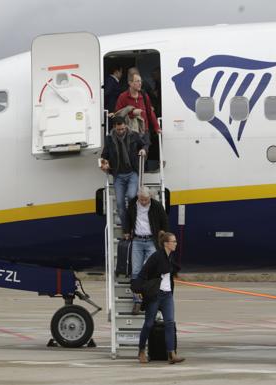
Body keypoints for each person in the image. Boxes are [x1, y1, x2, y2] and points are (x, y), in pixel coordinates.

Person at [136, 231, 184, 364]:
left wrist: (174, 273)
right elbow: (143, 273)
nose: (175, 243)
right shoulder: (156, 257)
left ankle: (171, 354)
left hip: (167, 295)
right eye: (173, 241)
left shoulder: (169, 257)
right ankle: (141, 351)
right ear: (166, 244)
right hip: (156, 295)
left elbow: (170, 270)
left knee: (169, 323)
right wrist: (138, 289)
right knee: (149, 324)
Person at [124, 186, 169, 315]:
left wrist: (163, 233)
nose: (143, 202)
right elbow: (127, 219)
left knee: (152, 271)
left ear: (150, 197)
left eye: (146, 200)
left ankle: (152, 299)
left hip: (151, 241)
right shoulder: (133, 203)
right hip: (137, 240)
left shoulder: (156, 206)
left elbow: (164, 221)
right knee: (136, 271)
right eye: (141, 200)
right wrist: (127, 231)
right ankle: (137, 301)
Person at [100, 116, 149, 230]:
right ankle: (127, 230)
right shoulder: (109, 139)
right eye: (118, 129)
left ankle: (134, 225)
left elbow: (145, 144)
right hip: (118, 175)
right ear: (114, 127)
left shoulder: (134, 135)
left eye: (122, 129)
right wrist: (104, 164)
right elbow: (104, 155)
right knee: (120, 204)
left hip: (132, 172)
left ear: (126, 126)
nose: (121, 131)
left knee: (132, 196)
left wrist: (143, 150)